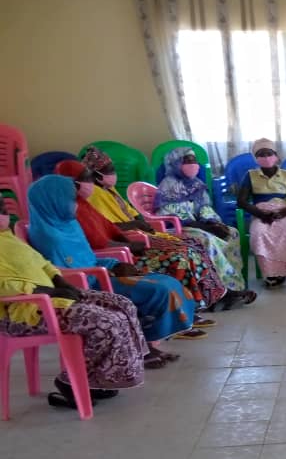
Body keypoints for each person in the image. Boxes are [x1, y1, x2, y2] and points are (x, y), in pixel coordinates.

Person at [27, 175, 198, 369]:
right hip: (88, 284)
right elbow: (66, 273)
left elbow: (88, 257)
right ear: (54, 200)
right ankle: (143, 348)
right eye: (71, 199)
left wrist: (114, 265)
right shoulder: (49, 237)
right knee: (157, 290)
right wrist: (107, 271)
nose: (76, 205)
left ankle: (147, 344)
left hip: (101, 273)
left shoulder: (68, 225)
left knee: (168, 282)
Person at [0, 204, 147, 410]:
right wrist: (48, 291)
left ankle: (98, 380)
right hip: (23, 312)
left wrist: (60, 282)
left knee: (122, 305)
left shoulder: (9, 239)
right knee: (105, 322)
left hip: (51, 297)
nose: (2, 216)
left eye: (3, 211)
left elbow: (43, 263)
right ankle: (69, 382)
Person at [81, 146, 251, 308]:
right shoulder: (95, 196)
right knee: (192, 247)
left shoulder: (110, 191)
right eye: (109, 170)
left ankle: (221, 289)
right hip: (138, 238)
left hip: (143, 234)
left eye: (113, 169)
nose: (113, 173)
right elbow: (110, 227)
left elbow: (133, 214)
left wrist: (211, 221)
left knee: (206, 241)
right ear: (95, 175)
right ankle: (206, 299)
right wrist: (136, 225)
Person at [55, 159, 223, 322]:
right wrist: (129, 245)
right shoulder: (75, 208)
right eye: (85, 178)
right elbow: (98, 242)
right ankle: (186, 313)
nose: (89, 182)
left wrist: (137, 227)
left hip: (120, 251)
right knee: (181, 257)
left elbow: (109, 227)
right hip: (116, 258)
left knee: (190, 247)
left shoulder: (90, 201)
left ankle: (205, 300)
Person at [151, 147, 250, 299]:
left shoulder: (196, 183)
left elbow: (204, 207)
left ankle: (233, 283)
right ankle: (217, 290)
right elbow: (171, 212)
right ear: (175, 163)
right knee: (206, 239)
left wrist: (213, 223)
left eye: (194, 161)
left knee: (232, 233)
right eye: (187, 161)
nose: (193, 165)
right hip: (178, 227)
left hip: (199, 224)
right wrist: (204, 226)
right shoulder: (168, 185)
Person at [237, 138, 286, 288]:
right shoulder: (250, 176)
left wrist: (283, 213)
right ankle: (270, 273)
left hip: (284, 211)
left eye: (269, 153)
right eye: (261, 155)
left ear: (276, 156)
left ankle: (285, 270)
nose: (266, 158)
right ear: (256, 158)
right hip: (261, 213)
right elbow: (241, 201)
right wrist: (261, 214)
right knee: (259, 233)